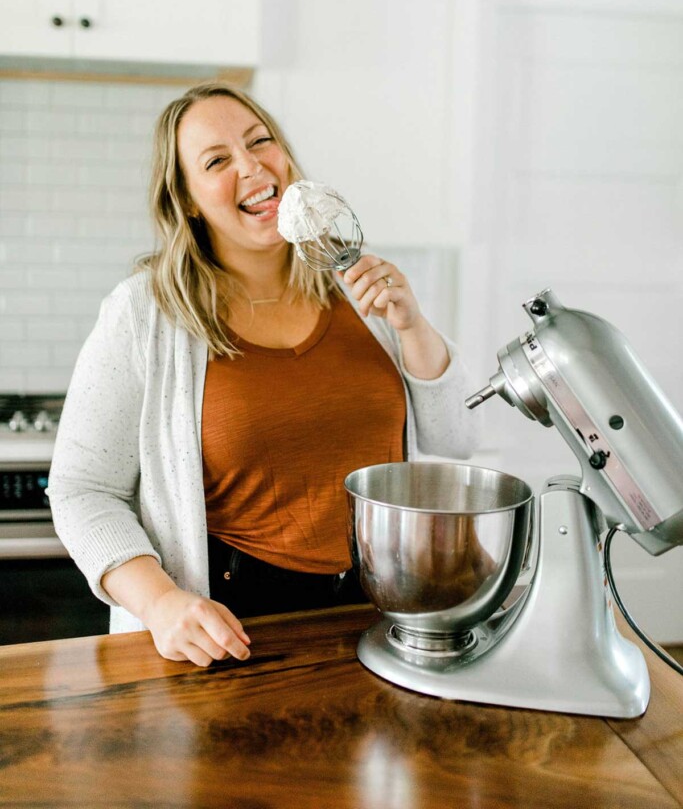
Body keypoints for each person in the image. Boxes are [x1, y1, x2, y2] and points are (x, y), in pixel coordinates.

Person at [48, 81, 482, 667]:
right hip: (235, 626)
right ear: (189, 200)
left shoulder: (356, 291)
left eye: (261, 142)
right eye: (217, 161)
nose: (252, 167)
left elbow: (455, 440)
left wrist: (412, 326)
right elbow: (82, 490)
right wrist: (161, 606)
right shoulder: (144, 313)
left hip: (381, 608)